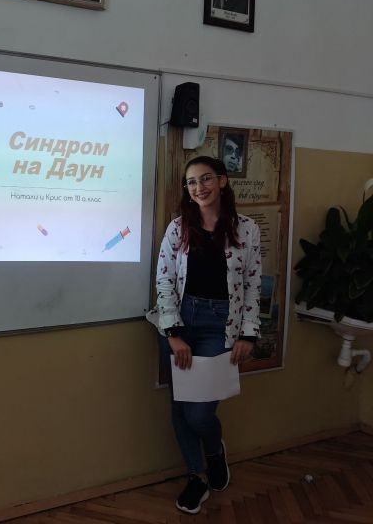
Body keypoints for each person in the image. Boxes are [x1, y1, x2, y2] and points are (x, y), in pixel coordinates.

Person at [153, 155, 261, 514]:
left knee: (199, 415)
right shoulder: (178, 227)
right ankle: (196, 476)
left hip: (221, 325)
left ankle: (214, 451)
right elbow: (164, 279)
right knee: (180, 407)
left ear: (223, 181)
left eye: (206, 178)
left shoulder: (246, 229)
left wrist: (248, 334)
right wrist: (172, 332)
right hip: (182, 321)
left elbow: (252, 283)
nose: (198, 187)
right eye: (191, 182)